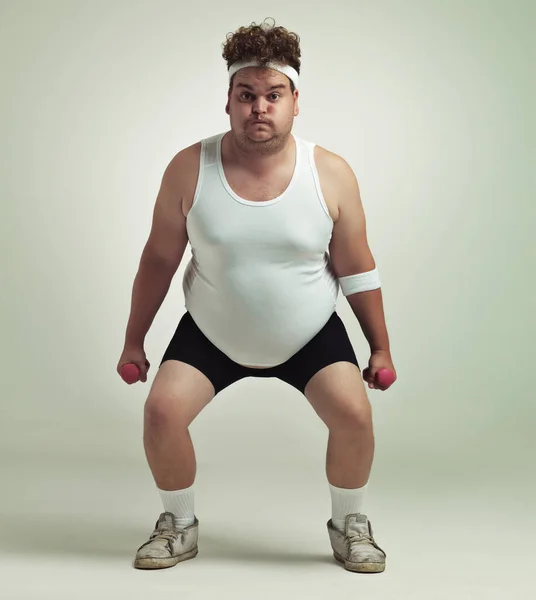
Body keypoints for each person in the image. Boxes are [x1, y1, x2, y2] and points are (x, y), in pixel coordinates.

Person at [117, 18, 397, 574]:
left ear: (296, 100)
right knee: (161, 413)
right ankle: (179, 524)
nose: (259, 108)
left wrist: (380, 349)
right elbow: (158, 260)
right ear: (228, 102)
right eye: (246, 96)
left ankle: (349, 525)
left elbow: (357, 269)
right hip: (213, 330)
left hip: (309, 332)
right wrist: (133, 340)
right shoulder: (188, 168)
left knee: (355, 416)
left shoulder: (332, 174)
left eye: (273, 95)